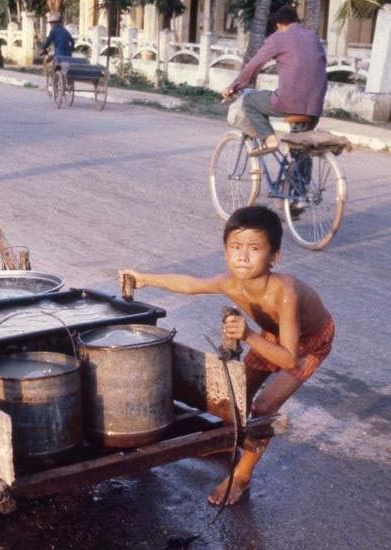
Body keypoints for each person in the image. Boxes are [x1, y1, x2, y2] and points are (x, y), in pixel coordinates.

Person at [119, 206, 335, 506]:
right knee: (236, 392)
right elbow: (191, 284)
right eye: (235, 247)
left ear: (274, 256)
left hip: (310, 343)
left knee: (264, 407)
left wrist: (248, 335)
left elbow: (289, 360)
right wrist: (144, 279)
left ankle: (242, 476)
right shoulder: (230, 282)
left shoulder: (285, 292)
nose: (243, 256)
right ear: (225, 251)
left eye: (254, 248)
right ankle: (230, 441)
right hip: (274, 337)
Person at [222, 6, 327, 157]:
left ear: (279, 24)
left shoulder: (279, 37)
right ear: (296, 21)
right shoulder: (313, 37)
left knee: (250, 101)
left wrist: (233, 87)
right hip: (315, 105)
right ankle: (299, 180)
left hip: (290, 101)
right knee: (301, 149)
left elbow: (254, 65)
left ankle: (269, 139)